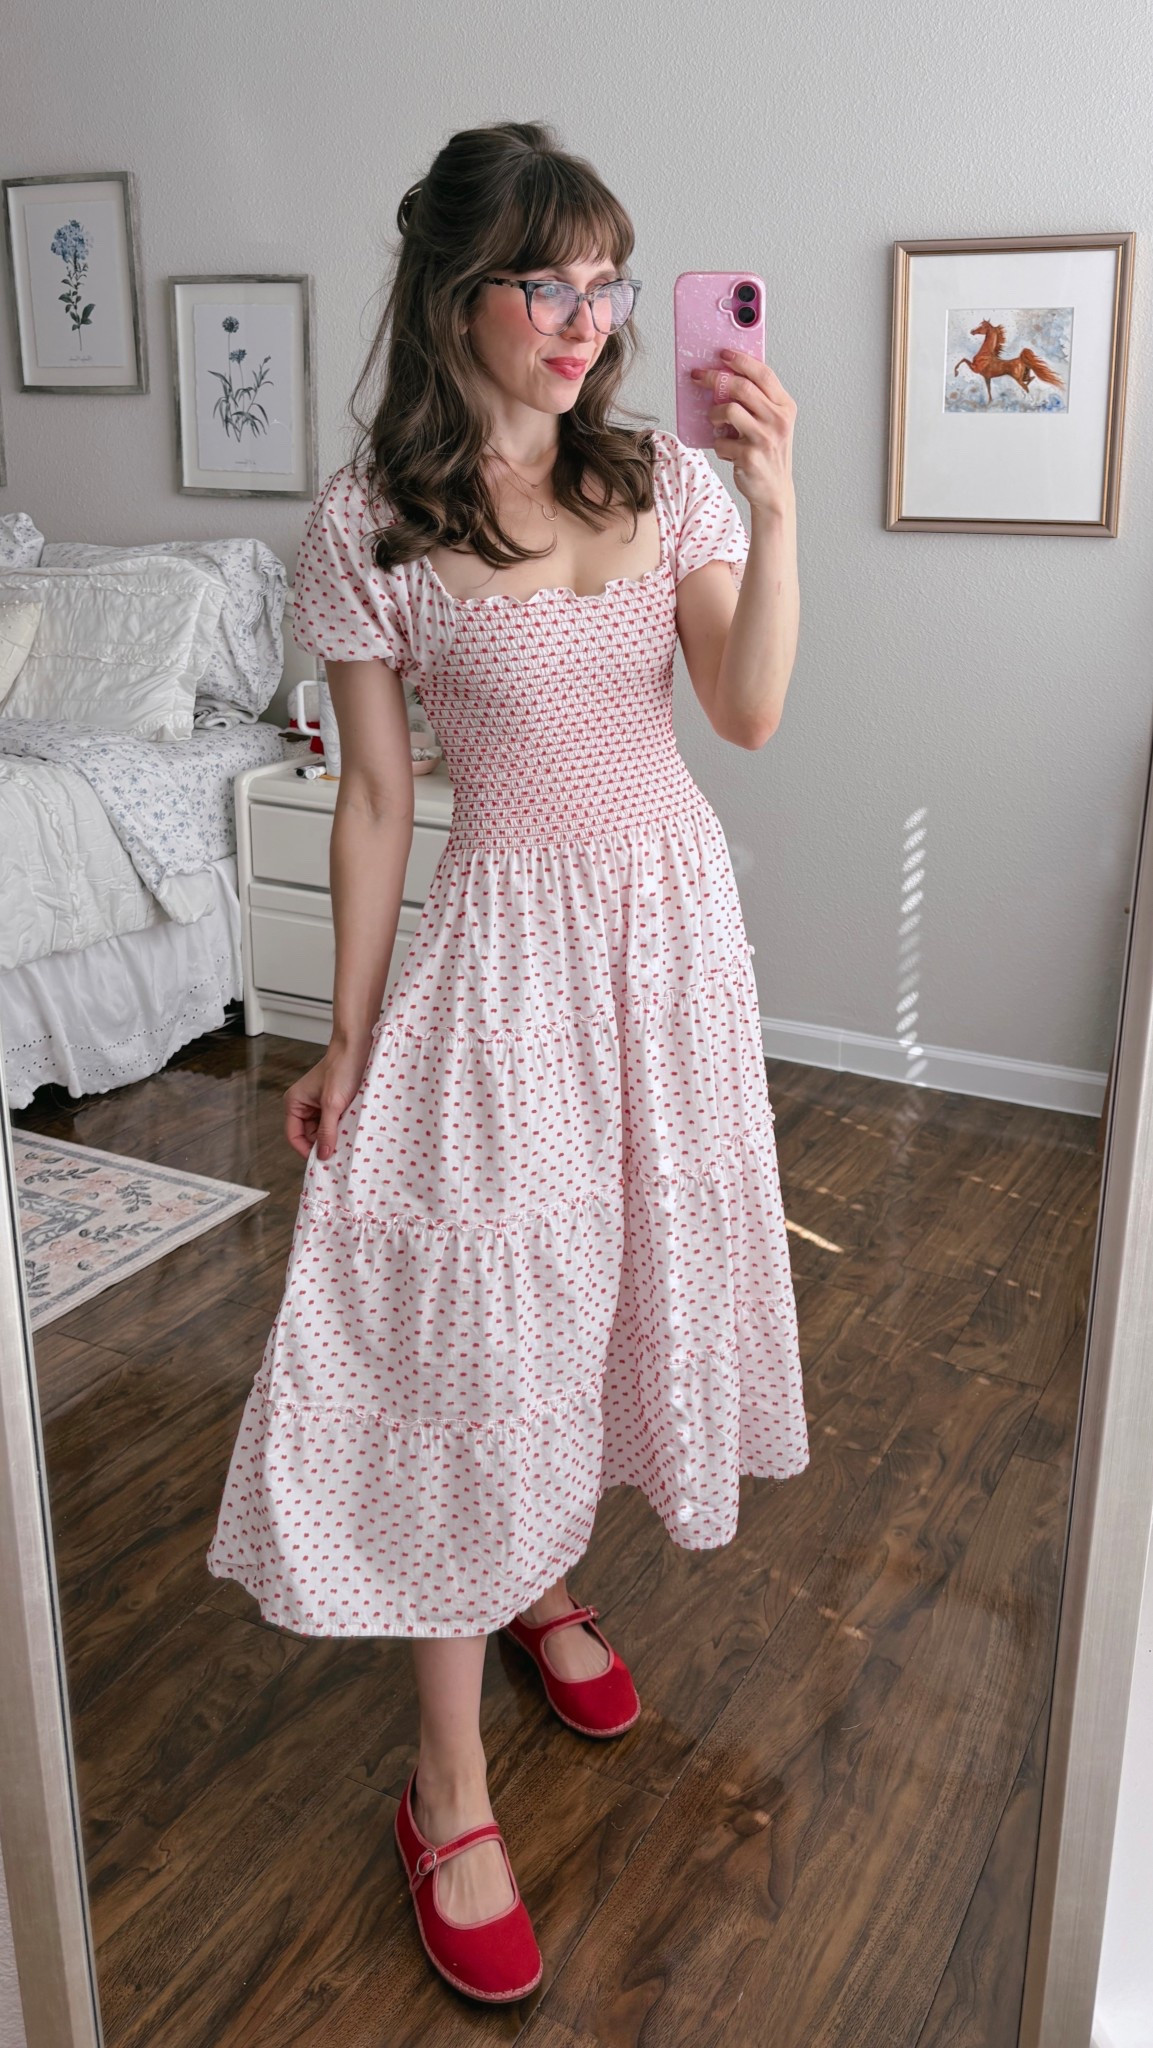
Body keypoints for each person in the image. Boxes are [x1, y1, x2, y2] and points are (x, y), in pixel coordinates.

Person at [205, 118, 809, 2003]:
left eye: (607, 283)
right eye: (545, 283)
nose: (584, 320)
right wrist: (344, 1032)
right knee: (479, 1326)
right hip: (501, 964)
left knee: (609, 1282)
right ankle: (445, 1784)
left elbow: (745, 710)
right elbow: (376, 802)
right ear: (454, 293)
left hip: (666, 940)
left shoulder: (661, 480)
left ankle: (539, 1573)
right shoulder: (368, 520)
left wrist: (777, 506)